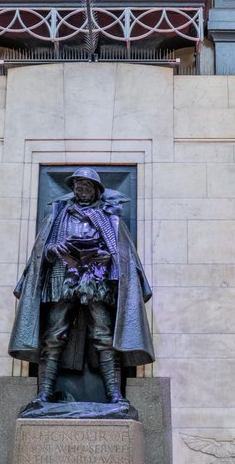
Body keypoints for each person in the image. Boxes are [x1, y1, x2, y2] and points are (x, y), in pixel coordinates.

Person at [9, 168, 154, 410]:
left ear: (96, 190)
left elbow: (122, 254)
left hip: (96, 281)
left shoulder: (107, 218)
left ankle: (114, 395)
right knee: (54, 336)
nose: (82, 190)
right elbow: (41, 250)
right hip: (62, 279)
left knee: (104, 336)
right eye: (78, 185)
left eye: (87, 186)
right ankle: (43, 394)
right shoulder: (58, 215)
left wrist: (106, 256)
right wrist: (54, 249)